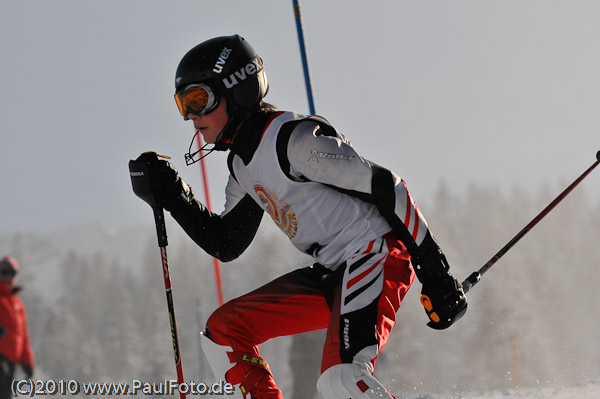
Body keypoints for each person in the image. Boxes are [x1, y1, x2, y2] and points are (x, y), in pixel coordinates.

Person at [136, 34, 467, 399]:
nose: (192, 116)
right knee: (225, 332)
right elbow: (226, 242)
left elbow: (387, 187)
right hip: (333, 272)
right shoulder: (243, 166)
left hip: (375, 253)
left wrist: (434, 273)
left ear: (236, 89)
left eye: (199, 99)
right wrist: (172, 196)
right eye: (183, 104)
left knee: (341, 379)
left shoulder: (293, 140)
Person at [0, 256, 34, 398]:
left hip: (12, 362)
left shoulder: (18, 305)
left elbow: (23, 336)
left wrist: (27, 363)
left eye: (11, 273)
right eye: (4, 273)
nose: (8, 277)